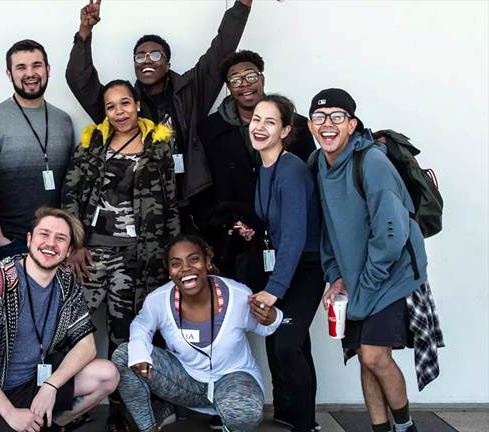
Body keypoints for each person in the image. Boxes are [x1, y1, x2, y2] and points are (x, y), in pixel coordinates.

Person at [308, 88, 443, 432]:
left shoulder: (372, 162)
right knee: (364, 361)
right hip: (355, 277)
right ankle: (381, 429)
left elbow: (391, 236)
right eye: (319, 117)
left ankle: (406, 427)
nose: (327, 124)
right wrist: (337, 276)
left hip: (392, 275)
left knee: (373, 354)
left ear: (351, 125)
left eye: (337, 117)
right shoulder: (320, 164)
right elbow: (329, 229)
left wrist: (365, 287)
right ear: (310, 125)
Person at [66, 0, 252, 232]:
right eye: (140, 56)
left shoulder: (191, 90)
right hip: (146, 204)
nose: (146, 60)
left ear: (167, 63)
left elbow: (221, 49)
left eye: (155, 55)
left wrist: (242, 5)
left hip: (193, 197)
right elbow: (80, 82)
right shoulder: (125, 106)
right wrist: (85, 32)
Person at [62, 79, 180, 432]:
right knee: (71, 329)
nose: (119, 112)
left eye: (125, 103)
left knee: (124, 336)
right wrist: (75, 245)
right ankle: (67, 404)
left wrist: (171, 254)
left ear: (137, 104)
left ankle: (120, 410)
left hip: (137, 258)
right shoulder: (92, 145)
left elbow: (170, 204)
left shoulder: (158, 147)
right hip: (92, 255)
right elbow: (71, 196)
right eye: (111, 106)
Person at [0, 207, 119, 432]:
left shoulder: (66, 282)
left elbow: (87, 346)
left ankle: (52, 426)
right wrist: (10, 413)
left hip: (35, 382)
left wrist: (51, 385)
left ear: (69, 250)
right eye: (44, 234)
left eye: (60, 238)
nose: (51, 244)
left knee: (108, 375)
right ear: (30, 239)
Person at [111, 235, 282, 432]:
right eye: (176, 263)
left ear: (207, 262)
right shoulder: (158, 300)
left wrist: (273, 316)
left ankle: (230, 420)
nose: (185, 268)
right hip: (185, 381)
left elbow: (264, 327)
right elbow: (140, 326)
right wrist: (139, 351)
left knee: (243, 413)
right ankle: (149, 428)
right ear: (169, 271)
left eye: (194, 259)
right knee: (125, 354)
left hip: (232, 379)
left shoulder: (237, 295)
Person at [230, 95, 323, 432]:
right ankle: (293, 414)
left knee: (286, 342)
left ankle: (304, 424)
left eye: (270, 122)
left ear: (285, 130)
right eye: (256, 119)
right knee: (289, 342)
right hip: (283, 264)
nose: (260, 127)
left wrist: (274, 290)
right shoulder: (264, 166)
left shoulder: (292, 171)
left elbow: (296, 236)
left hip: (306, 267)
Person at [194, 50, 316, 295]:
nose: (245, 84)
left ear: (262, 78)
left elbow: (310, 182)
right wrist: (222, 223)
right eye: (235, 80)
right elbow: (203, 184)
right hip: (233, 238)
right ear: (228, 87)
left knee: (285, 317)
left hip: (285, 239)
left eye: (250, 76)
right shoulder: (210, 128)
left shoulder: (297, 125)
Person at [0, 39, 75, 269]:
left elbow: (71, 185)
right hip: (8, 243)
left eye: (37, 65)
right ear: (9, 74)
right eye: (21, 67)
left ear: (48, 69)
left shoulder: (63, 121)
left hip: (53, 244)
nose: (30, 73)